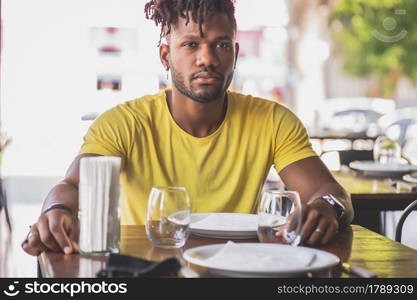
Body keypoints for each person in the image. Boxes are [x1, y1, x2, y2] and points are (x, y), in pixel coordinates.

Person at [22, 0, 353, 256]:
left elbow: (332, 194)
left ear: (235, 54)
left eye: (221, 45)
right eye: (191, 45)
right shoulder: (124, 122)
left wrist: (326, 209)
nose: (207, 58)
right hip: (149, 268)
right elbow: (70, 185)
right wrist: (57, 210)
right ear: (166, 55)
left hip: (242, 269)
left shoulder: (272, 120)